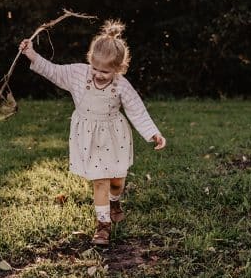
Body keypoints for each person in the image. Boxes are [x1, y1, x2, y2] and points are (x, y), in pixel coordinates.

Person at [19, 20, 166, 246]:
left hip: (114, 136)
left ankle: (115, 202)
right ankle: (102, 225)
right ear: (90, 60)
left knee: (116, 181)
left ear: (118, 69)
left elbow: (137, 110)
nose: (98, 74)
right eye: (95, 68)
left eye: (105, 71)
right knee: (100, 182)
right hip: (88, 136)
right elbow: (53, 71)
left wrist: (153, 133)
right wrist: (32, 55)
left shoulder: (122, 85)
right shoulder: (78, 74)